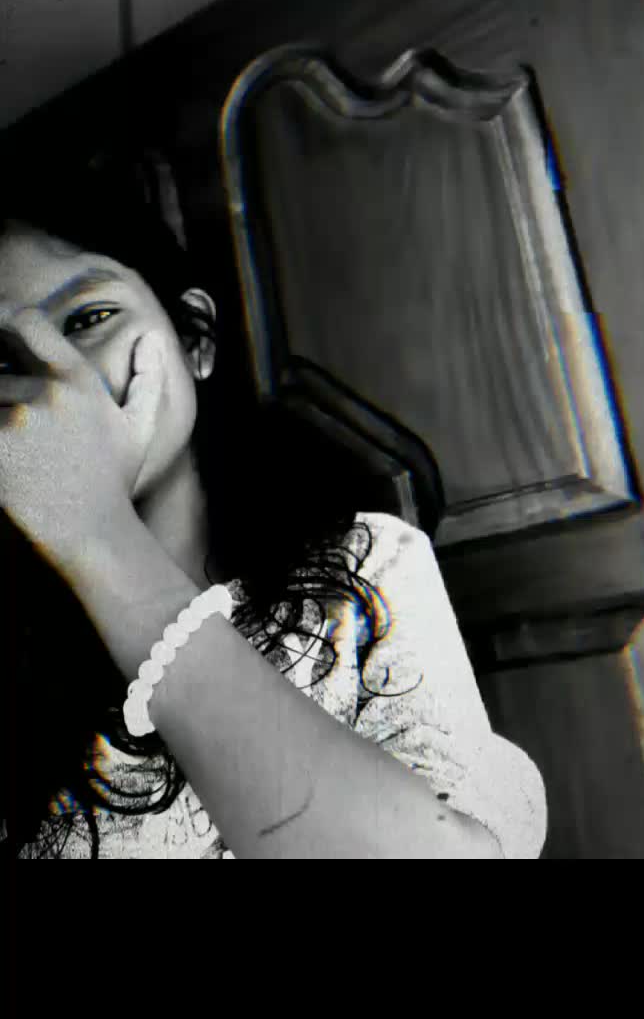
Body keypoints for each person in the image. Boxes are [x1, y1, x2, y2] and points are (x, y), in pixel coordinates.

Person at [0, 151, 547, 860]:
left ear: (195, 340)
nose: (60, 385)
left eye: (89, 319)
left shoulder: (365, 570)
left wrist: (96, 533)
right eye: (3, 361)